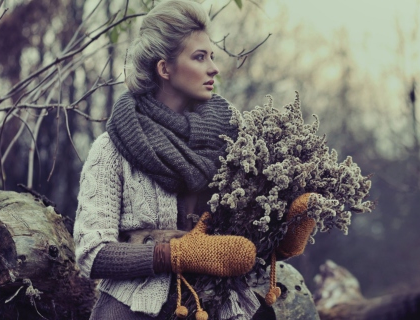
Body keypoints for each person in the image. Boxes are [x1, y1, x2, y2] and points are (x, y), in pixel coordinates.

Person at [74, 0, 314, 319]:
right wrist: (174, 254)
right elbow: (92, 255)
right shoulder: (112, 148)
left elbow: (239, 247)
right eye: (199, 57)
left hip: (219, 307)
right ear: (165, 68)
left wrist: (283, 237)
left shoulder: (236, 142)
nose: (213, 68)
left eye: (212, 56)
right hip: (135, 310)